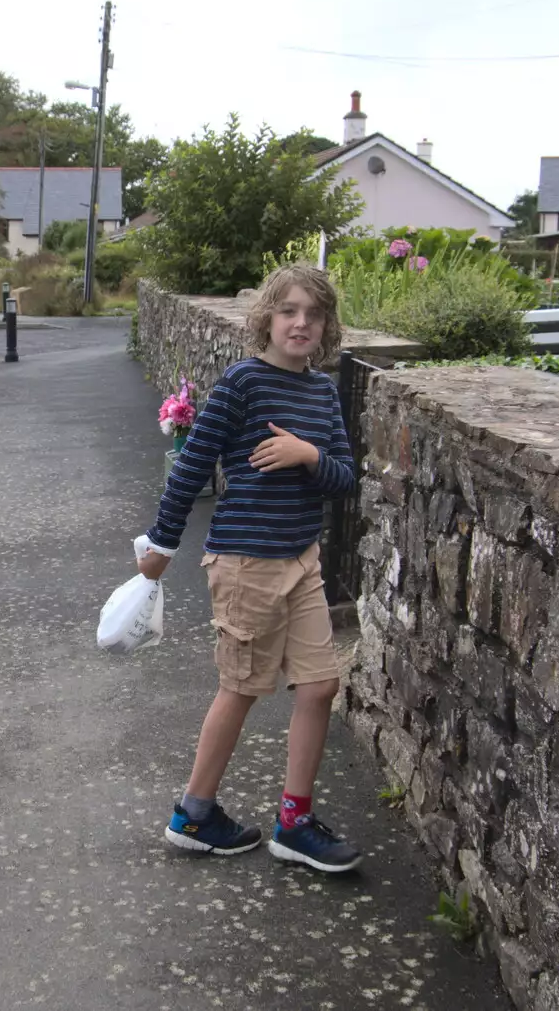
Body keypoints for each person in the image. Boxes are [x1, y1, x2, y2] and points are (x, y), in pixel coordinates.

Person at [137, 264, 362, 872]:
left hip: (301, 560)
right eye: (289, 310)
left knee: (320, 685)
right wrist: (161, 545)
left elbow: (345, 478)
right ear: (267, 317)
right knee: (241, 690)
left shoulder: (320, 392)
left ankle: (294, 823)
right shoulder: (242, 383)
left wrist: (307, 454)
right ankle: (194, 813)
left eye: (313, 314)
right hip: (245, 563)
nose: (301, 323)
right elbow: (192, 465)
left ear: (326, 325)